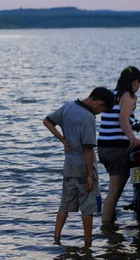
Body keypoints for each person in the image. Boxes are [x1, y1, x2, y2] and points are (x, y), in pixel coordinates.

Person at [43, 87, 115, 247]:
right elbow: (88, 149)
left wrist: (62, 139)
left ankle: (56, 239)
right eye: (103, 109)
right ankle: (88, 244)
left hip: (69, 166)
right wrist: (90, 175)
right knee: (88, 208)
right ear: (99, 103)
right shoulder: (88, 117)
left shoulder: (68, 106)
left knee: (64, 205)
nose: (99, 113)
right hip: (84, 168)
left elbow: (47, 121)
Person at [98, 66, 140, 225]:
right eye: (139, 83)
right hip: (117, 149)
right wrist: (133, 139)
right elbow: (123, 119)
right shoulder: (128, 96)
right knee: (114, 192)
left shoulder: (112, 95)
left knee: (112, 189)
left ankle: (110, 219)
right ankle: (106, 227)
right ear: (135, 82)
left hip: (103, 148)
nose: (138, 87)